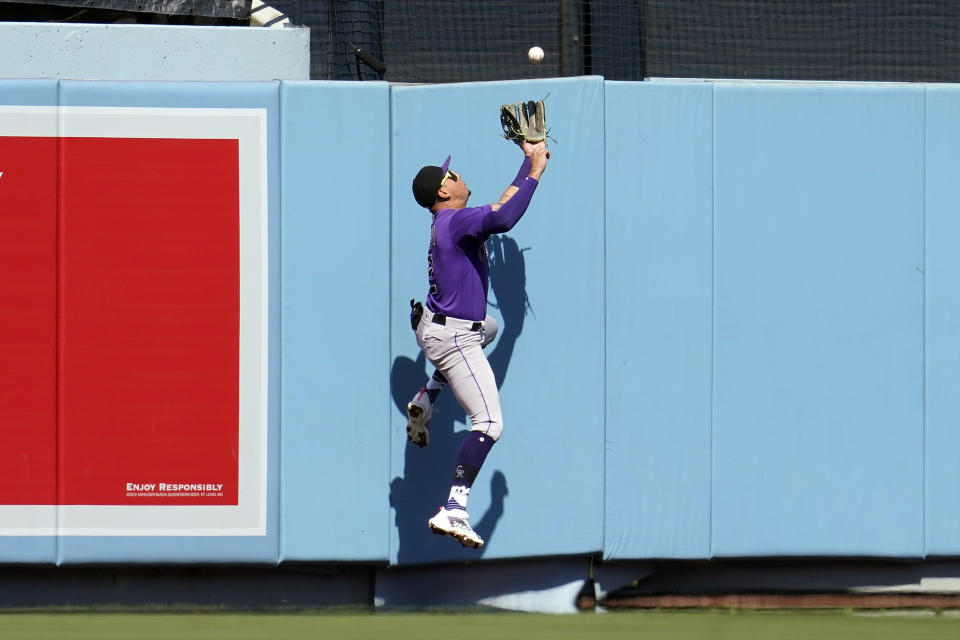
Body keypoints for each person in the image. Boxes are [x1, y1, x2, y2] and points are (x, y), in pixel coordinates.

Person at [407, 141, 549, 548]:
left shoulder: (452, 220)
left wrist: (528, 159)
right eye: (451, 174)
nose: (458, 174)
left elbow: (500, 205)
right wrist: (537, 174)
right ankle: (454, 508)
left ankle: (428, 395)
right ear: (442, 192)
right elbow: (505, 217)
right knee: (489, 424)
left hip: (436, 326)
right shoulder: (454, 222)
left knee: (491, 328)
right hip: (451, 338)